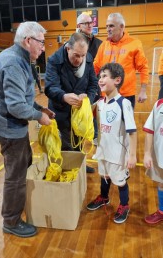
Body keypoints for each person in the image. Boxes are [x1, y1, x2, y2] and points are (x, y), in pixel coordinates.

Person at [0, 21, 55, 238]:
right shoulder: (13, 62)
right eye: (41, 42)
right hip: (9, 128)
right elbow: (16, 106)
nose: (43, 47)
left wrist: (41, 108)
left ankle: (20, 208)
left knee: (25, 163)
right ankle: (10, 221)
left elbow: (24, 98)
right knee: (16, 175)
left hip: (11, 125)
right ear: (28, 40)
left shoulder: (20, 58)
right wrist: (39, 117)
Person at [87, 63, 137, 224]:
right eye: (100, 76)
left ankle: (124, 205)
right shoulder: (100, 103)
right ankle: (104, 197)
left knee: (120, 180)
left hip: (118, 152)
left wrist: (132, 155)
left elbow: (132, 131)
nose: (100, 79)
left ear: (117, 80)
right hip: (103, 149)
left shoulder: (124, 104)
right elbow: (86, 114)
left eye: (104, 76)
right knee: (104, 175)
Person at [45, 32, 98, 174]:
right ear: (68, 48)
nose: (80, 60)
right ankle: (69, 169)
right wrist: (63, 96)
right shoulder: (54, 60)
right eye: (76, 55)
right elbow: (50, 88)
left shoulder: (88, 59)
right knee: (66, 144)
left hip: (80, 112)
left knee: (79, 140)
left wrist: (87, 99)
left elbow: (93, 85)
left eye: (83, 55)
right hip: (61, 110)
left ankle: (79, 164)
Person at [93, 12, 149, 109]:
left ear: (122, 26)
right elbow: (95, 67)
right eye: (106, 26)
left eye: (111, 26)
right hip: (106, 94)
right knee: (106, 124)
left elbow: (143, 68)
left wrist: (143, 91)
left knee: (125, 124)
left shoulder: (134, 44)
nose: (107, 29)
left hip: (126, 95)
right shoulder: (103, 45)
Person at [77, 13, 102, 143]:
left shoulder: (99, 43)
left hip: (95, 85)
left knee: (95, 112)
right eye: (86, 23)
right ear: (78, 26)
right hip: (78, 86)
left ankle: (96, 136)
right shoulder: (72, 42)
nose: (89, 25)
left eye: (91, 22)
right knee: (80, 112)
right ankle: (79, 135)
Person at [143, 99, 163, 224]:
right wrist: (147, 153)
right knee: (161, 183)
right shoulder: (159, 104)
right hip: (160, 156)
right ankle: (161, 211)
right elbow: (150, 131)